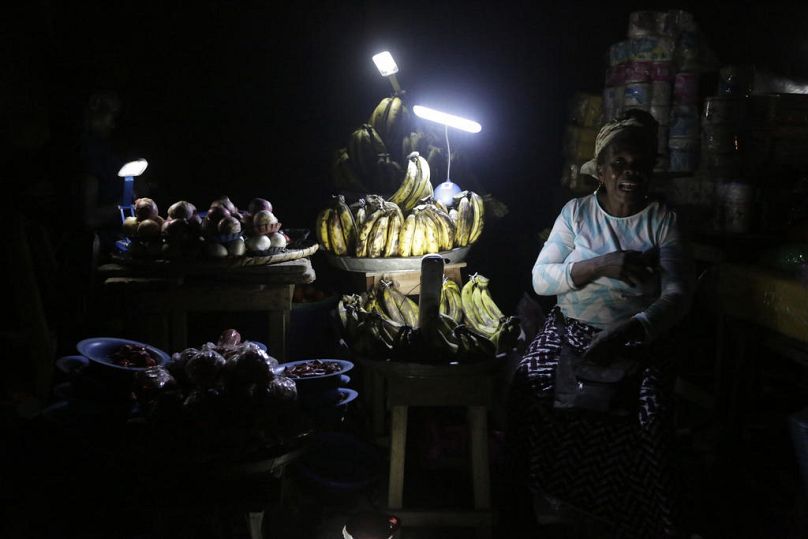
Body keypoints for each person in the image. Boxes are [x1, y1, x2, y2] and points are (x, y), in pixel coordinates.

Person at [507, 109, 693, 537]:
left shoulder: (662, 220)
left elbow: (679, 295)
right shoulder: (576, 214)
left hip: (636, 335)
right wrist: (603, 265)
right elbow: (541, 278)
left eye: (640, 166)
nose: (631, 175)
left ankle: (635, 518)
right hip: (570, 326)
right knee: (527, 384)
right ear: (602, 172)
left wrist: (634, 329)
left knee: (648, 412)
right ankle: (536, 504)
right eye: (620, 165)